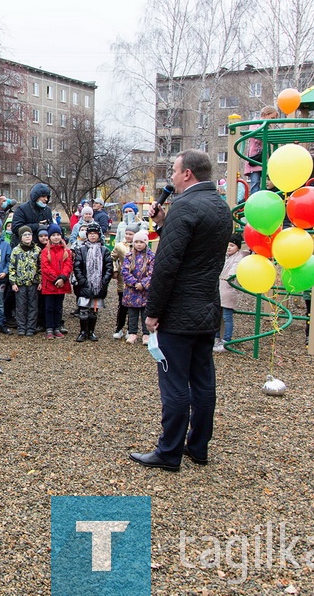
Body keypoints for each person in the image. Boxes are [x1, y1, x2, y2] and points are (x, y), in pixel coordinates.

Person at [131, 149, 233, 472]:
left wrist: (152, 311)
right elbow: (195, 253)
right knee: (203, 381)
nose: (171, 177)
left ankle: (169, 451)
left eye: (174, 171)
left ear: (187, 173)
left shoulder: (185, 206)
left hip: (178, 313)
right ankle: (198, 446)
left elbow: (167, 265)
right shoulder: (221, 207)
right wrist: (164, 224)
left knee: (174, 382)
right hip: (206, 309)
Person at [72, 223, 113, 342]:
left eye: (95, 234)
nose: (93, 236)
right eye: (90, 234)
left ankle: (91, 331)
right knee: (83, 309)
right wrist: (82, 280)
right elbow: (77, 266)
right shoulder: (82, 250)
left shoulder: (104, 250)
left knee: (93, 310)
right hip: (85, 283)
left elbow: (109, 267)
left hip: (98, 284)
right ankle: (83, 331)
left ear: (99, 235)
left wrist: (104, 281)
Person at [121, 230, 154, 345]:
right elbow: (125, 271)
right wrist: (134, 283)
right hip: (132, 290)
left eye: (141, 242)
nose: (139, 244)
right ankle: (132, 332)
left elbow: (152, 273)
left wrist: (143, 284)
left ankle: (146, 334)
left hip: (145, 291)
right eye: (137, 242)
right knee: (132, 313)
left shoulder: (151, 257)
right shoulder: (129, 256)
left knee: (145, 312)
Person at [214, 233, 246, 353]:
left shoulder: (238, 258)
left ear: (238, 247)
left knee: (227, 316)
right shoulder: (225, 256)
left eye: (232, 245)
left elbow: (235, 268)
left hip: (229, 289)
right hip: (221, 289)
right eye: (227, 245)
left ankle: (226, 340)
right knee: (217, 315)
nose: (228, 247)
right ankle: (216, 338)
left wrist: (230, 277)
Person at [39, 224, 71, 339]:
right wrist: (55, 279)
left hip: (61, 284)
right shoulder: (45, 251)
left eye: (58, 235)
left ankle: (57, 327)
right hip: (49, 284)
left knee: (58, 307)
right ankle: (49, 328)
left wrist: (63, 278)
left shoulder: (66, 251)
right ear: (50, 237)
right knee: (49, 307)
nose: (56, 237)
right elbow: (45, 267)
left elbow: (68, 265)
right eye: (53, 235)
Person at [9, 226, 41, 336]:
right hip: (20, 283)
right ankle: (21, 327)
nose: (27, 236)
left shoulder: (37, 250)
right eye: (25, 235)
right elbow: (12, 267)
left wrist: (40, 281)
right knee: (21, 307)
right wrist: (13, 282)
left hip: (33, 283)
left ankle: (31, 327)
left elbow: (40, 267)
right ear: (20, 237)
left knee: (33, 306)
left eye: (29, 234)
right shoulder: (16, 250)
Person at [244, 106, 279, 196]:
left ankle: (264, 198)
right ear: (264, 115)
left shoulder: (267, 126)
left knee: (265, 182)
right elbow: (255, 137)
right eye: (272, 118)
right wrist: (264, 128)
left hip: (263, 159)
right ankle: (255, 201)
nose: (273, 121)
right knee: (255, 182)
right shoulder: (256, 123)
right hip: (255, 159)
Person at [110, 225, 136, 339]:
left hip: (136, 281)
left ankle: (131, 329)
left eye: (131, 234)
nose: (128, 236)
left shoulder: (140, 246)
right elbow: (111, 258)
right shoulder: (119, 246)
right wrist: (114, 270)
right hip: (123, 280)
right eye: (127, 234)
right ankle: (119, 328)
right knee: (122, 305)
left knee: (134, 306)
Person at [10, 183, 53, 248]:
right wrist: (37, 226)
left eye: (47, 197)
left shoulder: (47, 210)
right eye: (43, 197)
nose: (46, 199)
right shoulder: (22, 209)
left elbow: (51, 227)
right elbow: (16, 228)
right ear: (36, 196)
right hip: (24, 248)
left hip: (42, 247)